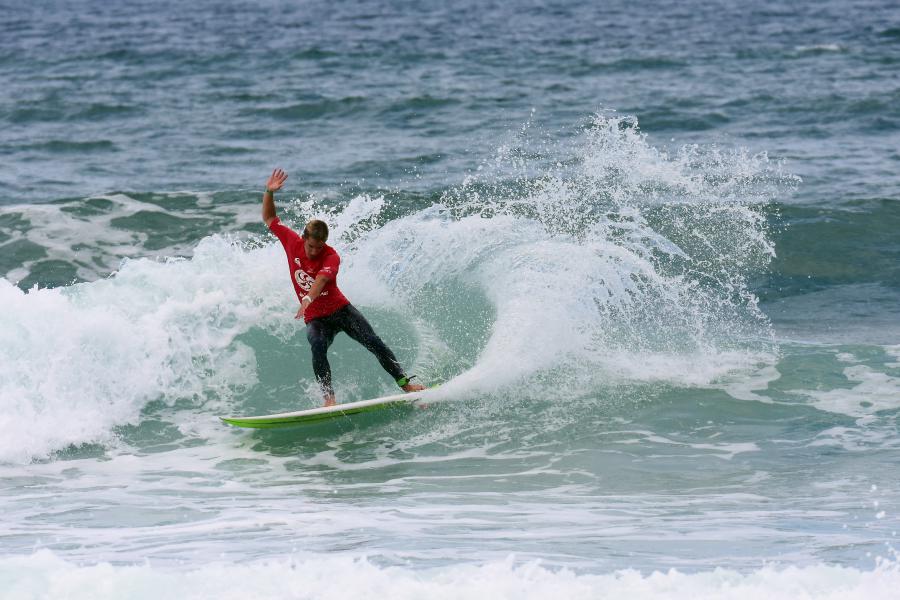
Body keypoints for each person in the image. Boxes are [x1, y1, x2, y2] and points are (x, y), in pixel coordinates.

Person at [262, 168, 425, 406]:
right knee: (317, 346)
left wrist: (307, 298)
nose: (315, 252)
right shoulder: (291, 242)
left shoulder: (331, 256)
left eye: (320, 247)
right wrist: (268, 192)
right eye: (311, 247)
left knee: (374, 342)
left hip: (341, 311)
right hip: (316, 319)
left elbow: (321, 281)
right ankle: (329, 399)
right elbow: (269, 219)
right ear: (303, 238)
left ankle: (406, 385)